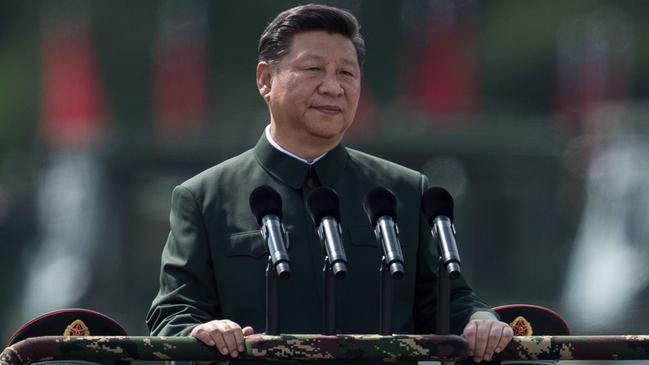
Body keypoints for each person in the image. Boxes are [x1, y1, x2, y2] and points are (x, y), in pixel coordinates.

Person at [146, 4, 513, 364]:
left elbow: (447, 300)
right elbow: (173, 315)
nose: (333, 87)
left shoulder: (402, 191)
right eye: (313, 69)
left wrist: (481, 322)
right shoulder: (205, 197)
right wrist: (205, 332)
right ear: (265, 80)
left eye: (347, 73)